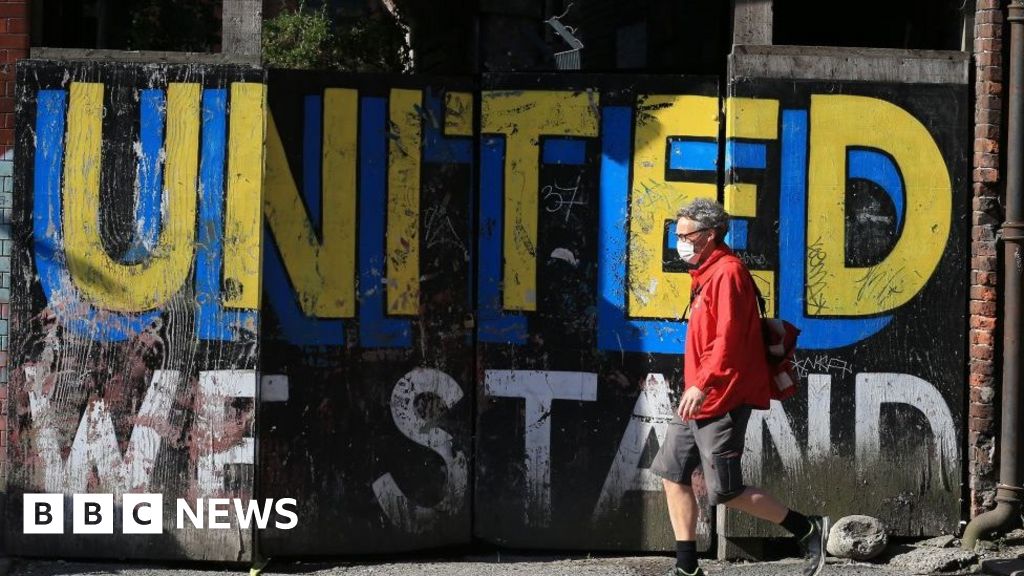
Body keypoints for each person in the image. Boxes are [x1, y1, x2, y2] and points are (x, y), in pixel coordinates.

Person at [650, 198, 828, 576]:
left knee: (726, 490)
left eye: (686, 234)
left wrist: (702, 384)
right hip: (698, 395)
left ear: (710, 236)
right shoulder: (705, 274)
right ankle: (687, 568)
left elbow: (727, 341)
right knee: (673, 473)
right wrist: (695, 386)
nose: (679, 240)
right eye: (676, 233)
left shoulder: (728, 273)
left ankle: (807, 528)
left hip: (722, 395)